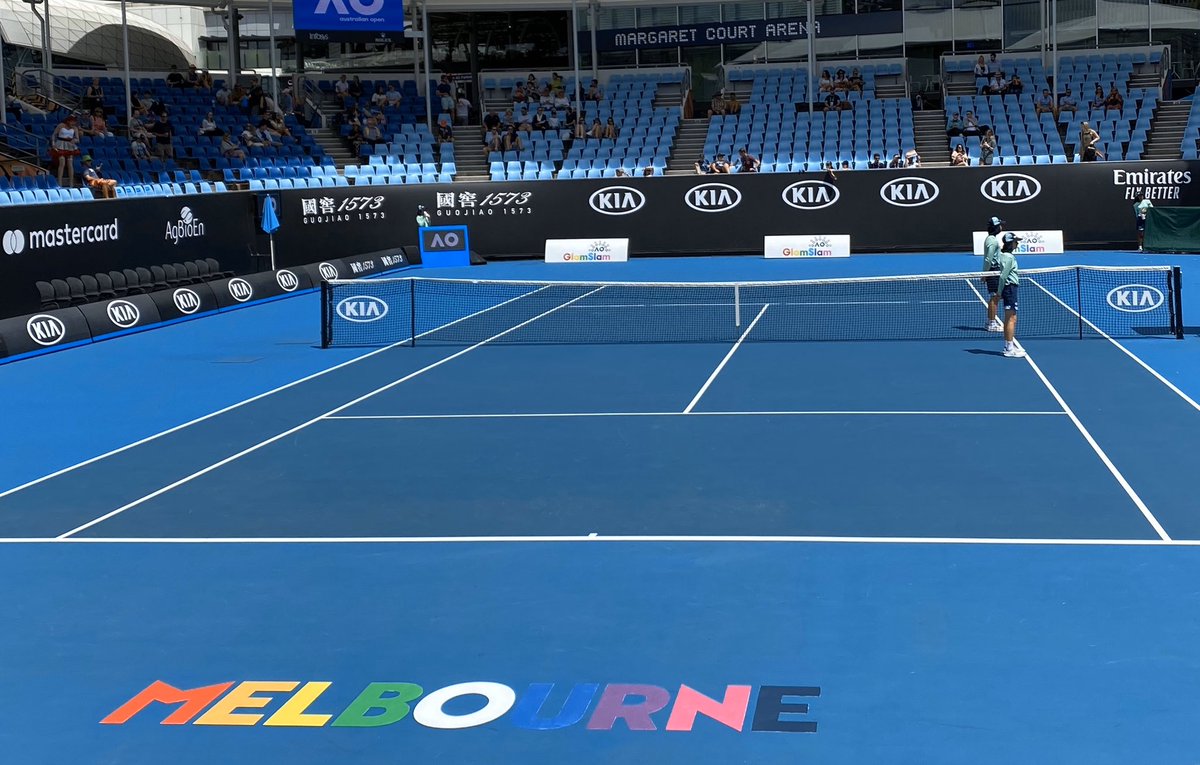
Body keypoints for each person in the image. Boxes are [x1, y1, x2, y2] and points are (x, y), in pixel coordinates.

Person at [996, 232, 1025, 358]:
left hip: (1009, 289)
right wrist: (999, 292)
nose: (1017, 243)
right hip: (1010, 289)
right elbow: (1003, 276)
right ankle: (1008, 348)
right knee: (1010, 318)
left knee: (1012, 317)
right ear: (1010, 243)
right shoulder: (1008, 257)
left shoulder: (1005, 256)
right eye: (1015, 241)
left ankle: (1010, 345)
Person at [982, 216, 1005, 333]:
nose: (1002, 227)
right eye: (1000, 225)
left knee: (996, 297)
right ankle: (991, 323)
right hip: (993, 271)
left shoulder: (991, 239)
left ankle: (990, 321)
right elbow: (988, 259)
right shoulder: (992, 241)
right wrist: (985, 274)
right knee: (995, 297)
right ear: (996, 227)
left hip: (994, 271)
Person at [51, 114, 80, 186]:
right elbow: (54, 134)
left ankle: (71, 183)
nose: (73, 123)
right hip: (60, 144)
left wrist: (74, 140)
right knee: (62, 163)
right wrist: (53, 143)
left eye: (74, 121)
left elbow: (77, 139)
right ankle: (59, 183)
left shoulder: (75, 128)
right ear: (68, 121)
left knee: (70, 163)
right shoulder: (61, 125)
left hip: (69, 145)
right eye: (72, 121)